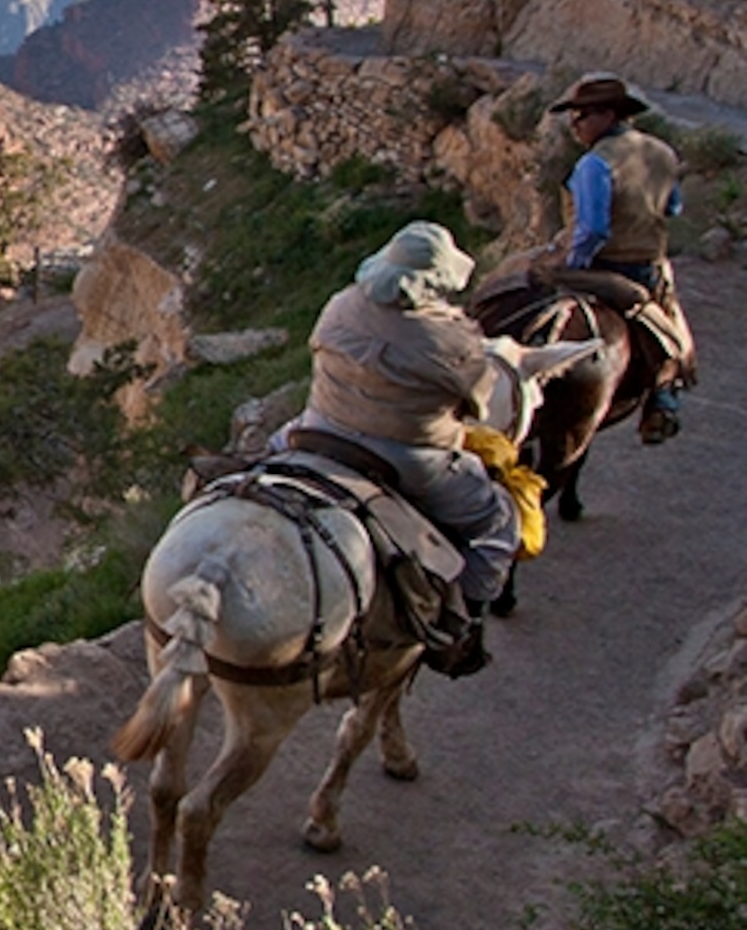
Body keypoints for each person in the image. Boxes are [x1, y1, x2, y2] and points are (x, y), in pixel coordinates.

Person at [280, 221, 513, 677]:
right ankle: (461, 621)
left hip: (318, 430)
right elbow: (479, 403)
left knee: (259, 461)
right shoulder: (451, 340)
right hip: (407, 459)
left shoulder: (341, 306)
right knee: (497, 520)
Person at [551, 71, 693, 440]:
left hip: (604, 264)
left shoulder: (594, 164)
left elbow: (593, 229)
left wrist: (572, 266)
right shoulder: (663, 153)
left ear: (607, 115)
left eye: (581, 116)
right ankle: (664, 396)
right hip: (649, 265)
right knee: (670, 325)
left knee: (527, 280)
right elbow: (674, 208)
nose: (575, 125)